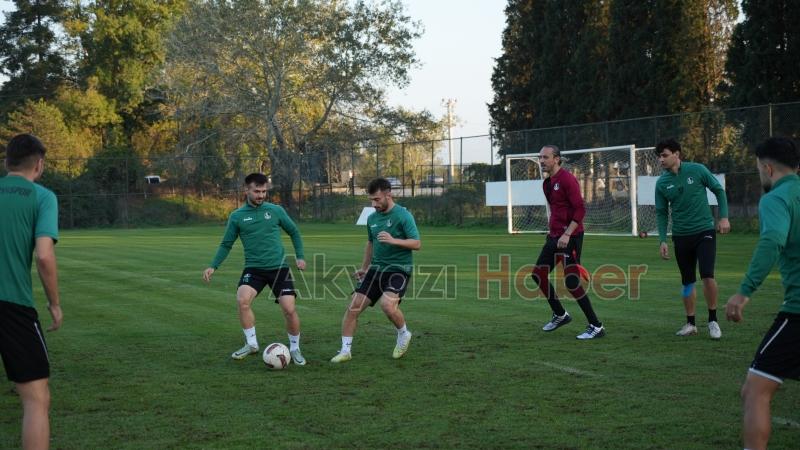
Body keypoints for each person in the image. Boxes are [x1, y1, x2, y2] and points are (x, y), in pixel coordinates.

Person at [725, 137, 800, 450]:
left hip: (798, 312)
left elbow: (772, 241)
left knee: (755, 390)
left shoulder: (776, 199)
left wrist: (744, 292)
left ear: (767, 168)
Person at [203, 173, 307, 364]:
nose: (261, 195)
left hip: (279, 269)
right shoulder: (237, 216)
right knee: (242, 300)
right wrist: (213, 266)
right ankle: (251, 344)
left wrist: (300, 256)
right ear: (246, 190)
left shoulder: (276, 210)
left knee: (289, 309)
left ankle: (295, 348)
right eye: (257, 191)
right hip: (254, 269)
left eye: (264, 191)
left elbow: (294, 231)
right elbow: (226, 244)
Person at [0, 133, 62, 450]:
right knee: (36, 398)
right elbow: (44, 256)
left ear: (6, 162)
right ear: (39, 165)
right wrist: (54, 303)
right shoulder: (42, 197)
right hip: (12, 306)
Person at [330, 177, 421, 363]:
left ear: (388, 195)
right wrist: (365, 268)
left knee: (387, 306)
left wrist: (393, 240)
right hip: (376, 270)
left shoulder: (403, 215)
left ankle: (404, 333)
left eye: (377, 199)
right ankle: (345, 351)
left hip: (398, 270)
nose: (374, 204)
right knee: (353, 307)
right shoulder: (372, 218)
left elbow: (416, 243)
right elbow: (370, 244)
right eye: (371, 200)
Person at [655, 139, 730, 339]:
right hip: (681, 236)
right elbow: (661, 213)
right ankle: (691, 324)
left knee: (707, 275)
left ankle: (713, 320)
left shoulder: (697, 170)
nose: (661, 159)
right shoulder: (661, 183)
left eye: (664, 155)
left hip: (704, 231)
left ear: (677, 154)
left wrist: (724, 217)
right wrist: (662, 240)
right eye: (659, 156)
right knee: (687, 281)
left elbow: (719, 190)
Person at [532, 145, 605, 339]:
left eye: (545, 157)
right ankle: (560, 314)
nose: (541, 161)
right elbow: (556, 210)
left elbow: (580, 209)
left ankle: (596, 326)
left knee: (572, 282)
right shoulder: (547, 184)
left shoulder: (567, 179)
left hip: (570, 237)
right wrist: (554, 232)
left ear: (556, 159)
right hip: (554, 236)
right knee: (538, 274)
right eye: (540, 157)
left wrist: (567, 234)